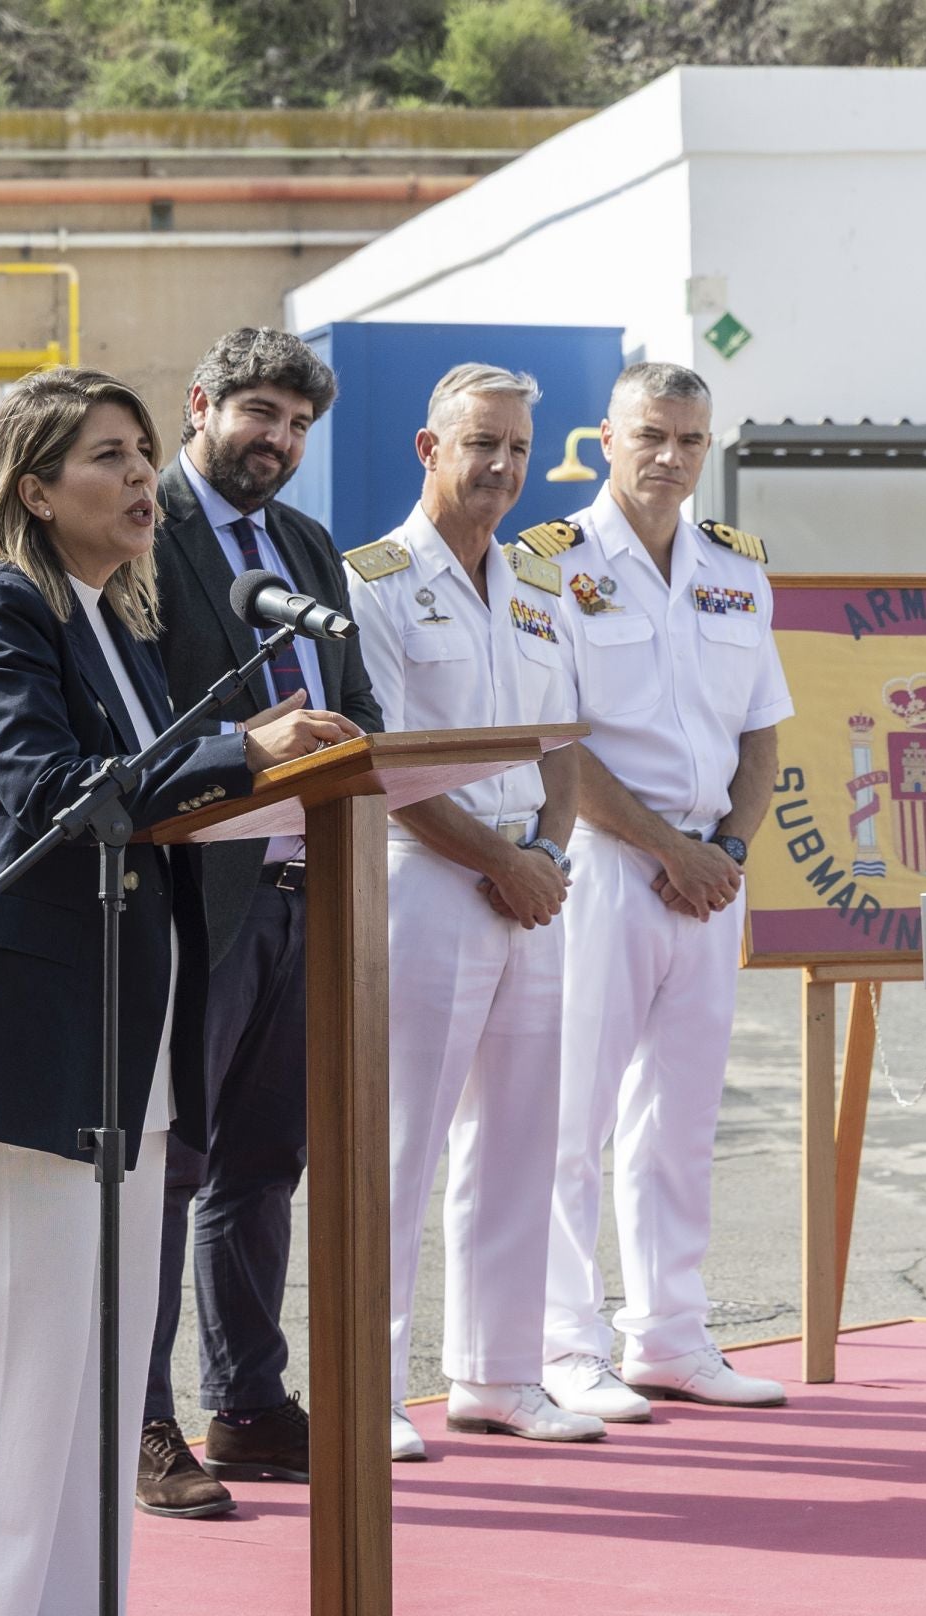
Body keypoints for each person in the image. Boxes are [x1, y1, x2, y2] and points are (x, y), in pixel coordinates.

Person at [0, 366, 348, 1616]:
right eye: (109, 456)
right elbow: (54, 797)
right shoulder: (2, 611)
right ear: (37, 488)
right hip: (27, 1035)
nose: (144, 478)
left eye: (148, 453)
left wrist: (272, 771)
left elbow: (156, 808)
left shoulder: (115, 617)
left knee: (95, 1363)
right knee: (10, 1349)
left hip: (125, 1035)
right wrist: (237, 745)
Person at [136, 329, 378, 1519]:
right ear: (202, 402)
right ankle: (144, 1422)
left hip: (299, 894)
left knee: (263, 1164)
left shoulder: (305, 547)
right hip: (192, 902)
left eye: (295, 425)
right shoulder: (148, 533)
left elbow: (362, 708)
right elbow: (132, 724)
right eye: (260, 414)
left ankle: (248, 1404)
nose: (276, 441)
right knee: (167, 1172)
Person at [345, 361, 605, 1463]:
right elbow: (381, 760)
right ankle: (366, 1389)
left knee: (519, 1137)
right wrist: (503, 859)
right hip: (426, 879)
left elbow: (562, 744)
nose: (499, 468)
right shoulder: (372, 579)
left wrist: (543, 852)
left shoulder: (537, 585)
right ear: (427, 450)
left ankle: (498, 1374)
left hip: (532, 889)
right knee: (395, 1146)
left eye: (513, 449)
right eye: (478, 445)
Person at [524, 361, 793, 1422]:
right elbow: (553, 742)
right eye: (648, 436)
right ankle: (561, 1343)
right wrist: (664, 850)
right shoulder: (548, 566)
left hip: (705, 878)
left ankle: (669, 1335)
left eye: (687, 439)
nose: (668, 458)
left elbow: (761, 731)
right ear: (602, 437)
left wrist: (725, 846)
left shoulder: (735, 569)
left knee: (678, 1120)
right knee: (568, 1118)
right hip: (599, 872)